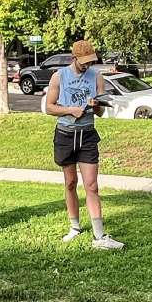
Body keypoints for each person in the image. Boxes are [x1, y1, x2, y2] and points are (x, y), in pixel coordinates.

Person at [44, 40, 124, 250]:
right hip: (65, 135)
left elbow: (101, 111)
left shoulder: (97, 76)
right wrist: (71, 110)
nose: (87, 66)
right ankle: (75, 227)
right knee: (70, 183)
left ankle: (99, 237)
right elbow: (49, 108)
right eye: (84, 62)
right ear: (74, 58)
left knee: (92, 185)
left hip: (87, 135)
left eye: (91, 62)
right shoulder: (59, 76)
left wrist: (97, 106)